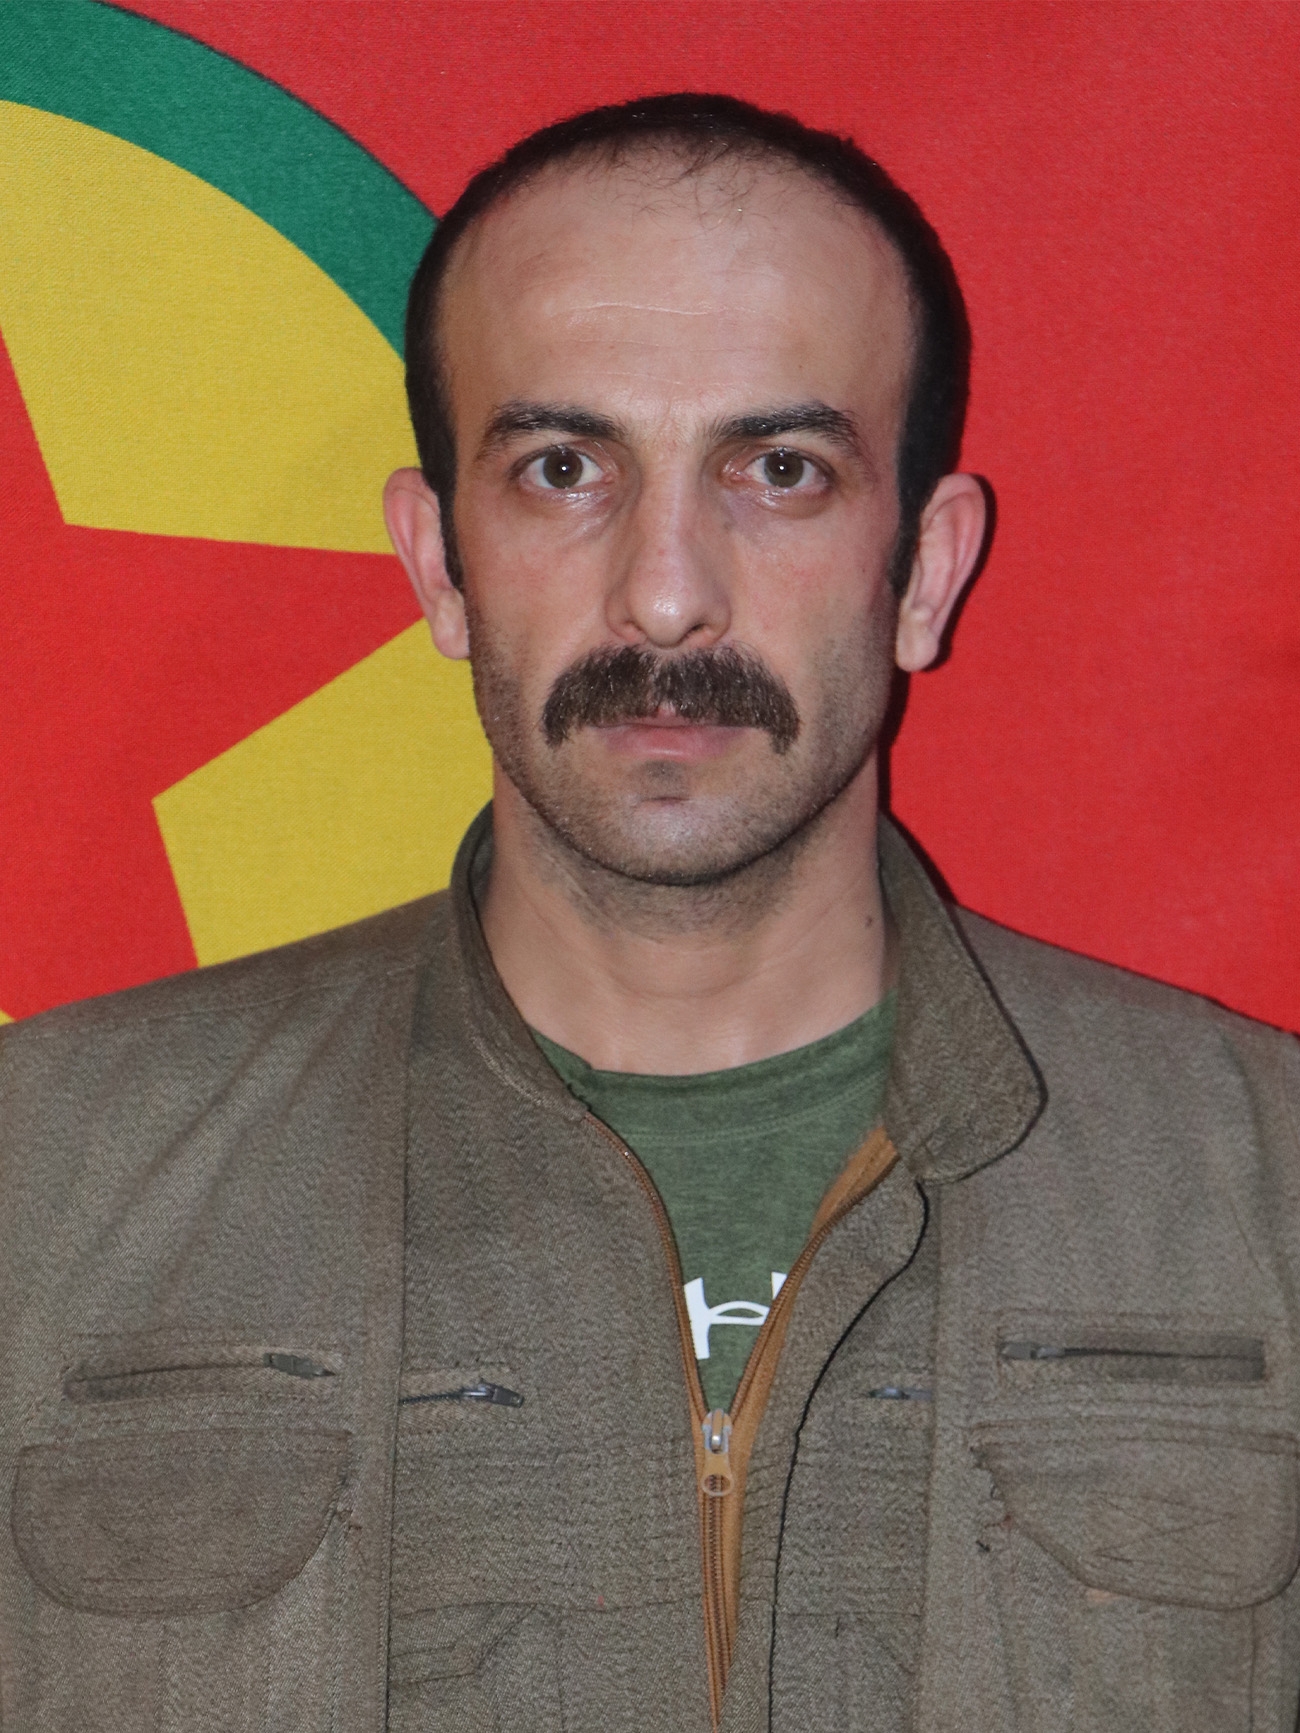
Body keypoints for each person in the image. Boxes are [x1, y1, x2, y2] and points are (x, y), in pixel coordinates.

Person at [1, 92, 1297, 1733]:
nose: (667, 591)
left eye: (781, 470)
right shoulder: (44, 1184)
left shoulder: (1267, 1197)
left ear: (924, 569)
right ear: (439, 564)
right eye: (564, 470)